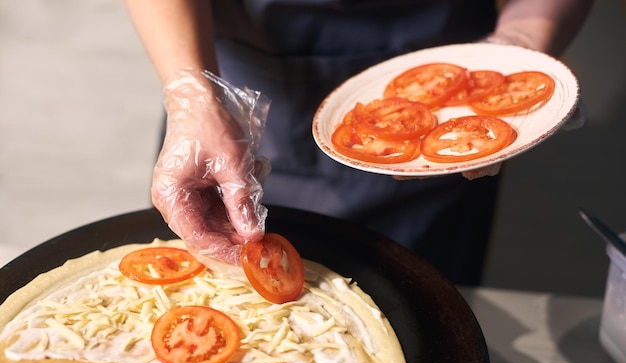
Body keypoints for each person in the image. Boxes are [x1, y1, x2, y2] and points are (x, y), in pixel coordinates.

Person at [122, 0, 593, 285]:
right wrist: (194, 94)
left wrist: (519, 40)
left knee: (423, 320)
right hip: (228, 81)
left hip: (454, 93)